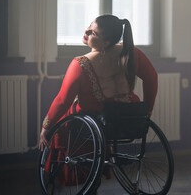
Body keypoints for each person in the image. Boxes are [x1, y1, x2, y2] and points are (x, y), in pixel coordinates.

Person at [38, 15, 158, 191]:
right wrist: (147, 111)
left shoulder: (81, 64)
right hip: (127, 117)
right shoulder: (132, 53)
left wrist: (45, 127)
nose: (86, 32)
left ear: (106, 42)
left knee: (64, 122)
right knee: (95, 118)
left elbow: (63, 100)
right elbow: (152, 79)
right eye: (88, 27)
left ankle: (72, 175)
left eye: (92, 32)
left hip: (98, 120)